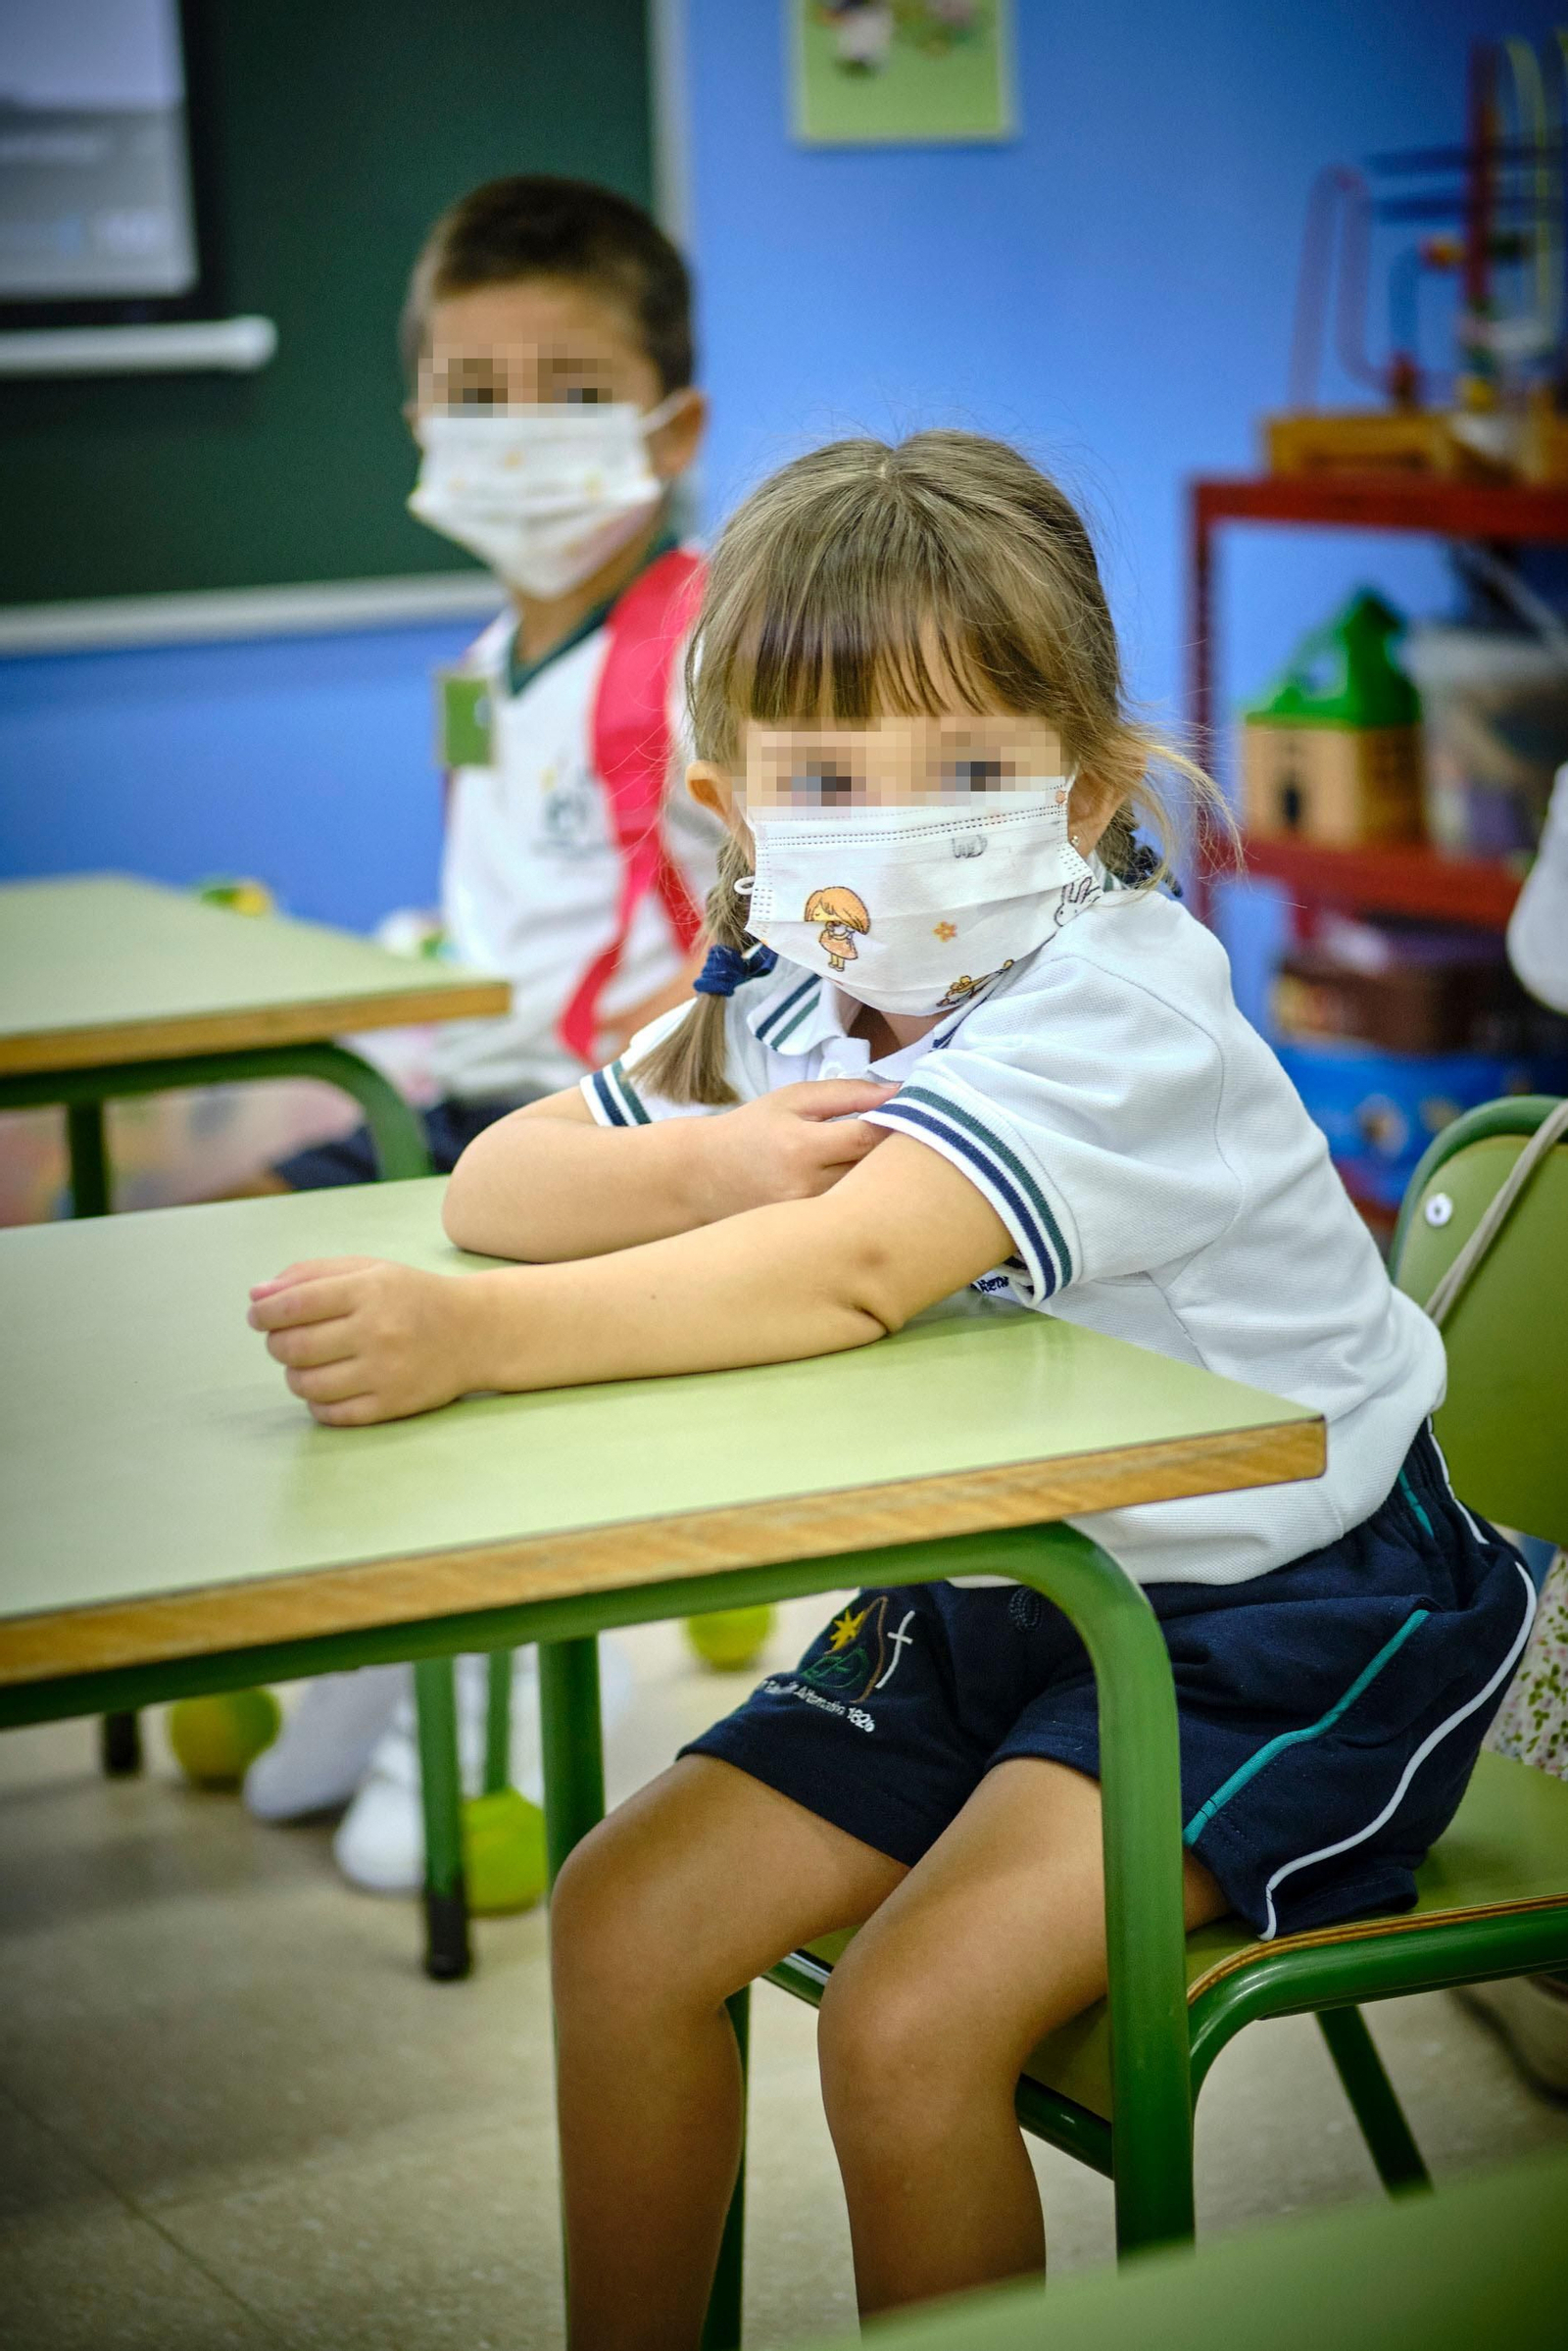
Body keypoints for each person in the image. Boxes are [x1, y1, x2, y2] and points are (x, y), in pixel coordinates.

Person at [247, 433, 1536, 2335]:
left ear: (1086, 786)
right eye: (832, 779)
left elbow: (851, 1270)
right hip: (1012, 1578)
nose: (898, 824)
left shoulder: (1117, 998)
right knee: (622, 1924)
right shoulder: (787, 978)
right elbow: (502, 1181)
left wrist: (473, 1339)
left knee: (901, 2021)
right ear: (731, 808)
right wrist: (703, 1155)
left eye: (970, 772)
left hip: (1283, 1616)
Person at [239, 176, 719, 1862]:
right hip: (484, 1094)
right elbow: (486, 897)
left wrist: (630, 1096)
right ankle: (373, 1669)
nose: (521, 437)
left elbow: (756, 928)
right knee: (261, 1258)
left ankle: (499, 1734)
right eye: (478, 394)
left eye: (573, 392)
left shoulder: (694, 643)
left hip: (615, 1118)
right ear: (421, 416)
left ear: (674, 429)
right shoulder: (482, 656)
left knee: (459, 1333)